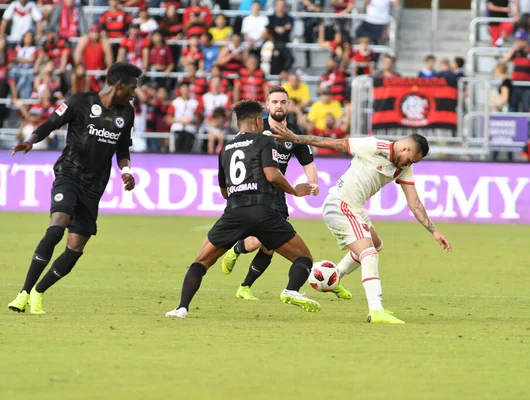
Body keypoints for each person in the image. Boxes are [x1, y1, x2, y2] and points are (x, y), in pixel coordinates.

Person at [269, 128, 452, 324]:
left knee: (376, 244)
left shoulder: (404, 168)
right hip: (340, 205)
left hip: (354, 207)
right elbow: (332, 143)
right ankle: (376, 309)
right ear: (406, 148)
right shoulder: (373, 146)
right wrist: (296, 139)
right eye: (411, 160)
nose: (410, 164)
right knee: (369, 253)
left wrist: (434, 230)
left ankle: (334, 277)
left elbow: (414, 202)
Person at [7, 62, 142, 315]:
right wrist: (30, 141)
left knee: (75, 247)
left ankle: (38, 292)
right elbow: (50, 123)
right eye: (133, 87)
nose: (135, 92)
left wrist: (126, 171)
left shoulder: (128, 113)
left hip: (95, 187)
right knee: (57, 224)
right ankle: (23, 292)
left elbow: (122, 149)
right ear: (119, 85)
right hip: (69, 173)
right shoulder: (81, 101)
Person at [165, 100, 321, 319]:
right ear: (258, 121)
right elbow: (272, 174)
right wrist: (295, 191)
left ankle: (181, 308)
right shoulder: (265, 141)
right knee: (303, 258)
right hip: (264, 211)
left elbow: (223, 191)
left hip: (235, 211)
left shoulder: (225, 149)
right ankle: (291, 290)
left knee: (200, 262)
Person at [219, 86, 350, 301]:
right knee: (256, 243)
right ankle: (236, 250)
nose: (279, 105)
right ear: (267, 105)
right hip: (256, 193)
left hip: (278, 194)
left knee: (269, 246)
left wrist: (313, 182)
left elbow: (308, 162)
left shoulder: (292, 134)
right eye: (275, 102)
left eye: (283, 102)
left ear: (288, 105)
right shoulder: (257, 130)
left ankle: (244, 287)